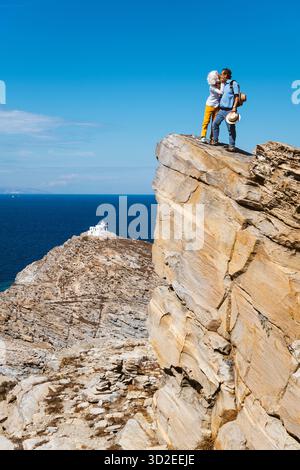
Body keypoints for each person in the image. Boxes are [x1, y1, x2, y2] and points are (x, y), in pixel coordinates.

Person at [212, 68, 240, 152]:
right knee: (215, 124)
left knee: (231, 129)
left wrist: (234, 107)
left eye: (222, 74)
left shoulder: (233, 84)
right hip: (222, 110)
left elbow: (237, 96)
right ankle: (215, 140)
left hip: (230, 110)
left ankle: (232, 146)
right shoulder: (223, 84)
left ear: (226, 75)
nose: (221, 76)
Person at [200, 71, 223, 144]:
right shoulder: (212, 87)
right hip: (209, 105)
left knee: (214, 123)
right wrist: (222, 83)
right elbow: (221, 92)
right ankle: (203, 136)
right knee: (206, 121)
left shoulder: (218, 85)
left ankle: (212, 138)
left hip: (217, 106)